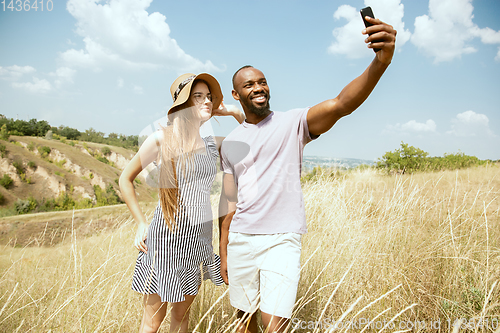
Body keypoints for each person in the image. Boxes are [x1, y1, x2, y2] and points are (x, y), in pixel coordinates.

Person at [218, 16, 397, 333]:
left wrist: (380, 63)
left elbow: (341, 104)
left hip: (281, 240)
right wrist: (223, 247)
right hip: (241, 239)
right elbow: (228, 200)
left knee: (276, 325)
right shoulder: (231, 142)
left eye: (262, 81)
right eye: (249, 84)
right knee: (244, 321)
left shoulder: (293, 123)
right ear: (236, 94)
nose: (259, 87)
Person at [120, 73, 244, 333]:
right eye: (198, 96)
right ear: (183, 104)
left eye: (209, 97)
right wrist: (141, 223)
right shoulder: (160, 139)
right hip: (165, 239)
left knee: (182, 317)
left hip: (198, 240)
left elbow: (250, 137)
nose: (207, 101)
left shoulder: (212, 145)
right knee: (152, 321)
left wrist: (232, 111)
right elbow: (125, 179)